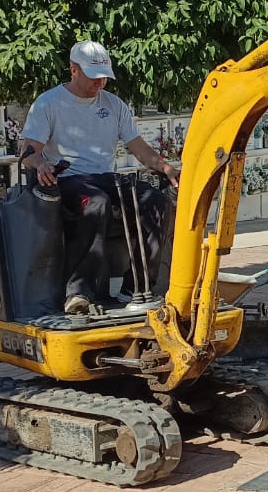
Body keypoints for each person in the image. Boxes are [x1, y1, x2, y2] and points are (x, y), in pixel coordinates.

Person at [20, 40, 181, 315]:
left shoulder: (114, 105)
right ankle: (78, 292)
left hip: (106, 177)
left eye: (104, 76)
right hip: (69, 179)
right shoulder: (49, 103)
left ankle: (137, 286)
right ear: (73, 70)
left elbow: (139, 148)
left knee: (155, 201)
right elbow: (28, 152)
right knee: (96, 203)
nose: (100, 82)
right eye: (94, 76)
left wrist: (167, 169)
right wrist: (41, 164)